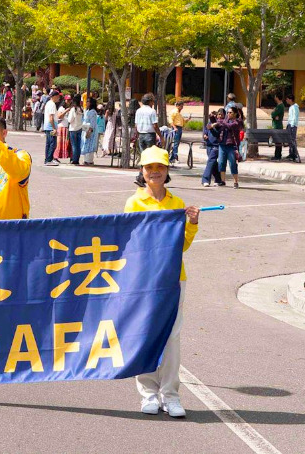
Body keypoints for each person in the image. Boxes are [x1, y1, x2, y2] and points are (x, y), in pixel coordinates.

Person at [124, 146, 199, 418]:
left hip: (173, 280)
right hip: (145, 281)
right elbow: (130, 244)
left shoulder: (176, 204)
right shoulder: (133, 203)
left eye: (160, 167)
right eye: (149, 167)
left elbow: (182, 246)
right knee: (145, 335)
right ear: (141, 171)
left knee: (171, 337)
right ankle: (148, 395)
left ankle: (171, 395)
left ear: (167, 171)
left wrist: (191, 224)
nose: (154, 172)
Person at [215, 107, 242, 188]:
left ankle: (235, 182)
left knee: (232, 163)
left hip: (232, 145)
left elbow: (229, 126)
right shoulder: (225, 120)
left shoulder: (237, 122)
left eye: (231, 113)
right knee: (221, 163)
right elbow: (219, 124)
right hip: (222, 144)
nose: (228, 114)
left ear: (235, 114)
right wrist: (212, 118)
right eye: (228, 112)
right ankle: (223, 181)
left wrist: (220, 122)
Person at [201, 109, 225, 187]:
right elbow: (206, 130)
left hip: (216, 146)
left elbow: (217, 134)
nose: (220, 116)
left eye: (221, 115)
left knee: (210, 161)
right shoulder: (210, 122)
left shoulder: (221, 124)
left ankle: (205, 179)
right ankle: (218, 179)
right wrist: (205, 135)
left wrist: (212, 128)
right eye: (218, 114)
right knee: (213, 163)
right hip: (209, 145)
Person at [80, 97, 101, 165]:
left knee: (90, 144)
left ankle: (89, 161)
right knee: (85, 144)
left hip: (90, 130)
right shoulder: (87, 111)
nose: (87, 103)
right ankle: (86, 160)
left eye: (88, 101)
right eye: (87, 101)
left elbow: (93, 123)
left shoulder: (93, 112)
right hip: (85, 129)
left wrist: (89, 131)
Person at [42, 90, 61, 166]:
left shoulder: (48, 103)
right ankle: (49, 159)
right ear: (54, 96)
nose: (59, 98)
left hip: (48, 126)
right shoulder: (52, 104)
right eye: (58, 96)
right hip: (50, 126)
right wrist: (54, 128)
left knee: (49, 143)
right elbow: (51, 117)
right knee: (52, 144)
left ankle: (47, 159)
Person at [66, 94, 84, 165]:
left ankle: (74, 159)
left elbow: (70, 120)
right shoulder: (81, 109)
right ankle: (77, 159)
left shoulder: (73, 109)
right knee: (78, 144)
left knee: (74, 145)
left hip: (73, 129)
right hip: (79, 128)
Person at [53, 95, 71, 160]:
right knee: (59, 143)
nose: (68, 101)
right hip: (61, 126)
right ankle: (56, 156)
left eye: (69, 100)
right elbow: (59, 116)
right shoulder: (61, 108)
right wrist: (65, 111)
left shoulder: (69, 108)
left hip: (66, 127)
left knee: (65, 143)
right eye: (67, 100)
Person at [284, 94, 300, 163]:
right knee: (290, 140)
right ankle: (291, 153)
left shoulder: (295, 107)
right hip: (289, 124)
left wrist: (292, 125)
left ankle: (294, 154)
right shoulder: (291, 107)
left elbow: (295, 117)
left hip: (293, 125)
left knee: (293, 140)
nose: (286, 101)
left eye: (287, 99)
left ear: (290, 99)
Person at [270, 94, 285, 161]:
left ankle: (277, 155)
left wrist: (273, 113)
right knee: (277, 141)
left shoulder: (280, 106)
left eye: (275, 96)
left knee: (278, 141)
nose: (274, 98)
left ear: (277, 98)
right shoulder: (279, 106)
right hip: (277, 125)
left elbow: (273, 114)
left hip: (277, 126)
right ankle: (277, 155)